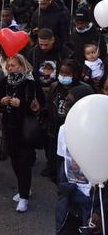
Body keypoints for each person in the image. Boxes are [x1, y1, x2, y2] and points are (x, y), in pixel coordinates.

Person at [0, 54, 44, 212]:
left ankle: (24, 197)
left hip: (25, 129)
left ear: (22, 66)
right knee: (15, 161)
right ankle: (25, 189)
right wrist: (2, 102)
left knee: (24, 163)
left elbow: (39, 104)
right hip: (10, 128)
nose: (10, 69)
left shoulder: (31, 82)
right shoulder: (5, 81)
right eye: (9, 66)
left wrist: (21, 103)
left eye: (14, 66)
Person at [56, 85, 98, 234]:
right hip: (70, 196)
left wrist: (99, 209)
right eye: (66, 102)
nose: (65, 106)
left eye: (70, 103)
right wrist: (63, 191)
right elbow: (63, 162)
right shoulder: (64, 129)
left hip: (94, 199)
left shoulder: (100, 133)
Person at [45, 60, 91, 183]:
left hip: (74, 134)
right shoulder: (55, 87)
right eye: (62, 73)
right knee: (54, 161)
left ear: (75, 74)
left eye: (68, 74)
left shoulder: (84, 90)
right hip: (56, 131)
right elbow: (49, 108)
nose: (63, 77)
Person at [26, 28, 72, 101]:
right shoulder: (34, 51)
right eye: (41, 44)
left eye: (46, 44)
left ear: (52, 40)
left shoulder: (62, 51)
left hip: (57, 89)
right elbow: (27, 69)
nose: (43, 47)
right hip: (38, 89)